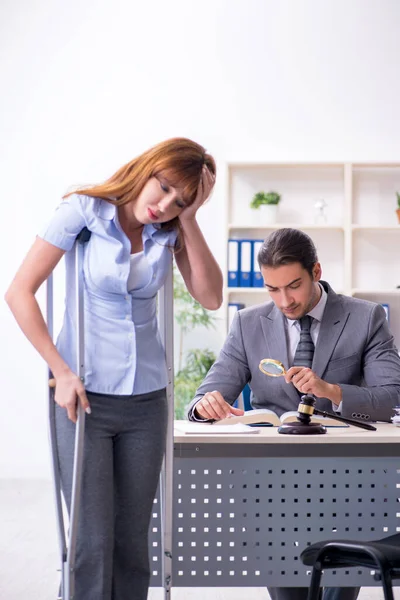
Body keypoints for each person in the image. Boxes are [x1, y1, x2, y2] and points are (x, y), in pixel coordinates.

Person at [5, 137, 223, 600]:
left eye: (179, 201)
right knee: (91, 539)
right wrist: (60, 372)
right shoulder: (83, 212)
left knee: (131, 542)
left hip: (146, 401)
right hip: (82, 398)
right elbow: (20, 292)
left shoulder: (171, 232)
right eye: (162, 188)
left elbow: (210, 297)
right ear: (146, 169)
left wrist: (190, 220)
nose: (162, 205)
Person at [187, 227, 400, 600]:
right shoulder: (248, 323)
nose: (284, 300)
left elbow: (393, 396)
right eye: (272, 289)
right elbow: (207, 393)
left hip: (348, 481)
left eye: (293, 286)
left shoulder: (365, 318)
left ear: (316, 272)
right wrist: (206, 407)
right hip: (268, 483)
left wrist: (330, 391)